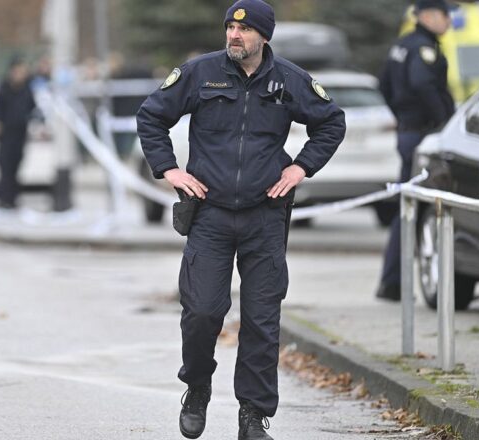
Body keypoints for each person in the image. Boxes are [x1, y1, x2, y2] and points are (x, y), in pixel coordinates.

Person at [136, 1, 345, 438]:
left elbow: (331, 122)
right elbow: (151, 115)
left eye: (244, 30)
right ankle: (197, 387)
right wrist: (169, 170)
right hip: (209, 215)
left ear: (263, 37)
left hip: (265, 216)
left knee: (261, 321)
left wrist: (301, 167)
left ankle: (253, 414)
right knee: (201, 312)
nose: (234, 35)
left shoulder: (288, 80)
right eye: (230, 27)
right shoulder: (200, 73)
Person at [375, 0, 455, 301]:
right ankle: (393, 281)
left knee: (406, 206)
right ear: (428, 16)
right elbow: (423, 85)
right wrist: (442, 121)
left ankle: (392, 282)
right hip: (423, 135)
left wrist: (402, 116)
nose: (449, 20)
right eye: (446, 14)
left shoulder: (402, 45)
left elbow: (383, 85)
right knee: (415, 208)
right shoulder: (424, 48)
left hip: (408, 132)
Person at [0, 57, 36, 210]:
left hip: (20, 132)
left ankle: (13, 198)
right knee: (5, 166)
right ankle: (4, 198)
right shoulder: (4, 88)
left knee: (16, 166)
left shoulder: (27, 88)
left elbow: (32, 108)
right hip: (6, 134)